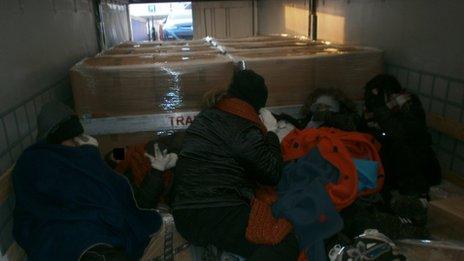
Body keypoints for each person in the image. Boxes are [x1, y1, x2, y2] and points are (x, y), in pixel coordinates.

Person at [12, 102, 167, 261]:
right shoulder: (44, 159)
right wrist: (98, 156)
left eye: (77, 139)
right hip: (76, 229)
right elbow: (109, 166)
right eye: (73, 139)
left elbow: (119, 189)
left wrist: (156, 171)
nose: (77, 143)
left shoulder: (140, 158)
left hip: (92, 225)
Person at [171, 70, 299, 260]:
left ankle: (220, 251)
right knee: (282, 240)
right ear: (257, 105)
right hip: (217, 213)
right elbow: (271, 173)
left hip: (184, 215)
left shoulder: (207, 116)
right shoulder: (244, 125)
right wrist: (272, 133)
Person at [363, 74, 441, 199]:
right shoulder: (378, 107)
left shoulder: (408, 104)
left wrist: (381, 112)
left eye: (378, 94)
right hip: (395, 164)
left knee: (400, 147)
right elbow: (368, 130)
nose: (373, 99)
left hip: (417, 166)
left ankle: (415, 197)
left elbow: (399, 134)